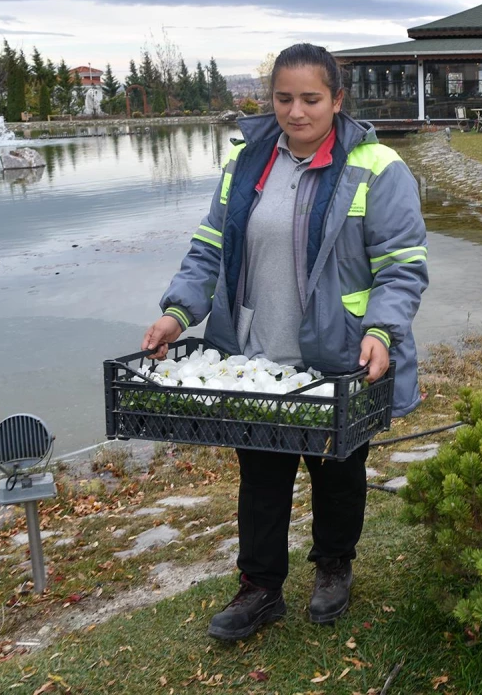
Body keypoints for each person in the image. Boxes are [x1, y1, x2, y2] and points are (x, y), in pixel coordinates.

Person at [141, 43, 429, 640]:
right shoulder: (246, 163)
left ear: (337, 100)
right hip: (256, 356)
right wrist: (177, 312)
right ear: (269, 99)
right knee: (262, 477)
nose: (296, 112)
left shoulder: (377, 167)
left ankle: (332, 568)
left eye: (310, 99)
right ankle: (261, 587)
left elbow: (402, 267)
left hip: (340, 353)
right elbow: (208, 250)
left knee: (339, 472)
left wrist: (381, 330)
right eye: (283, 98)